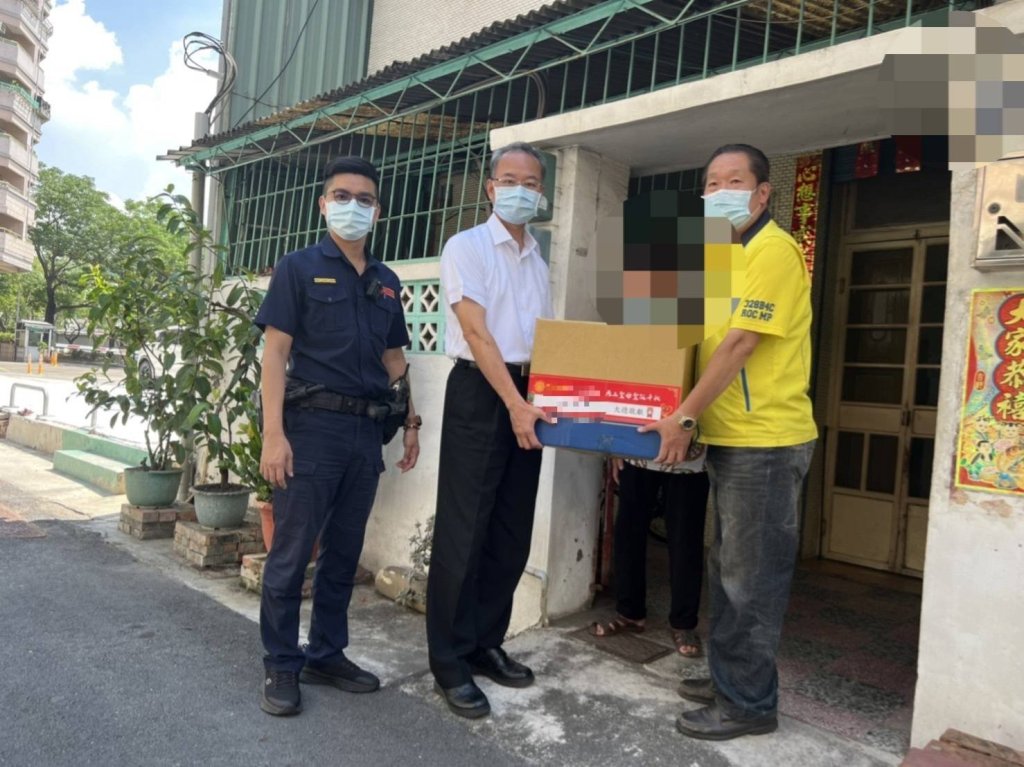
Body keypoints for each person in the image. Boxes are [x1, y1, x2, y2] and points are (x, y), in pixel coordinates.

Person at [639, 144, 818, 740]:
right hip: (734, 435)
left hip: (767, 439)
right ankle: (730, 678)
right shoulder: (723, 256)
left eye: (734, 182)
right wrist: (685, 415)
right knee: (728, 568)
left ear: (763, 192)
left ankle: (748, 705)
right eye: (712, 184)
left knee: (751, 578)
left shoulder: (775, 251)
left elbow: (741, 343)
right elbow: (696, 342)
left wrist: (684, 418)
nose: (719, 193)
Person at [254, 156, 421, 717]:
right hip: (311, 430)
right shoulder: (298, 268)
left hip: (365, 433)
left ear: (378, 211)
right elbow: (275, 355)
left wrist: (412, 422)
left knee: (343, 554)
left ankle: (326, 654)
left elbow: (395, 360)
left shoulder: (386, 282)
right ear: (323, 204)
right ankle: (282, 663)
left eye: (365, 199)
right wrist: (273, 434)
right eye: (342, 196)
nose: (354, 206)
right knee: (291, 552)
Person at [426, 141, 553, 719]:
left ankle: (484, 642)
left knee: (509, 528)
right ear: (490, 187)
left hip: (530, 395)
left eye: (531, 182)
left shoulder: (538, 261)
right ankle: (449, 660)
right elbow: (476, 334)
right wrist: (514, 405)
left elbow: (543, 340)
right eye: (509, 179)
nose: (519, 190)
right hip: (481, 393)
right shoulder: (467, 247)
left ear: (541, 191)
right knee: (465, 526)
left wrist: (542, 402)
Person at [591, 450, 710, 659]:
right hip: (637, 448)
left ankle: (684, 624)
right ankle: (629, 612)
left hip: (690, 453)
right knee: (628, 528)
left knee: (686, 535)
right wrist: (617, 448)